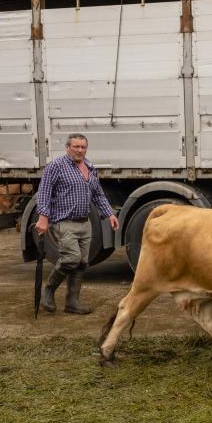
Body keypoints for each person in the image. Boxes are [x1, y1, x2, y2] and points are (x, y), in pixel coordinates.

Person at [35, 133, 119, 315]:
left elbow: (97, 194)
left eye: (83, 147)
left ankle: (72, 303)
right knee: (71, 258)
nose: (80, 150)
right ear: (68, 147)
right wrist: (43, 217)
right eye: (76, 147)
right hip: (64, 222)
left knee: (81, 263)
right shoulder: (56, 166)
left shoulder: (89, 166)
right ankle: (48, 290)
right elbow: (44, 192)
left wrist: (109, 214)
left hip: (84, 223)